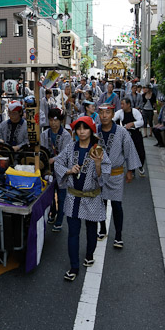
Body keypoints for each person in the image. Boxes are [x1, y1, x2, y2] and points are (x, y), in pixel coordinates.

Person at [55, 116, 111, 281]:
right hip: (73, 196)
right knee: (73, 233)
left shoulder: (98, 149)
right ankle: (74, 267)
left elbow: (104, 177)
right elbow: (58, 163)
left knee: (91, 230)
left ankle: (89, 254)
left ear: (91, 130)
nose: (81, 131)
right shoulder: (70, 147)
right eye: (78, 128)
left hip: (92, 197)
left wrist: (99, 164)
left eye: (85, 128)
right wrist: (69, 170)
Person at [96, 105, 141, 247]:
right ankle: (102, 229)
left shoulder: (121, 132)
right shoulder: (95, 131)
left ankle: (118, 235)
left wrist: (130, 171)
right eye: (101, 112)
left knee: (116, 205)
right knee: (100, 204)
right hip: (99, 174)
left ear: (113, 114)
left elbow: (129, 150)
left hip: (116, 173)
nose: (104, 116)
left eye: (107, 113)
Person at [40, 108, 72, 231]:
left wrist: (54, 159)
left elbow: (66, 152)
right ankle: (52, 212)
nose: (53, 123)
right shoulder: (44, 134)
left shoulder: (66, 135)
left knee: (61, 194)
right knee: (49, 192)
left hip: (62, 168)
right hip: (48, 168)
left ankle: (59, 220)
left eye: (56, 120)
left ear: (61, 121)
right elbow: (42, 149)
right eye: (51, 120)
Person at [113, 98, 146, 177]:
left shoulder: (135, 112)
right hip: (127, 136)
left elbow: (141, 122)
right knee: (129, 153)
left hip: (136, 134)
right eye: (121, 104)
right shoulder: (120, 112)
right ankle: (132, 170)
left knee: (141, 152)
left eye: (123, 104)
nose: (121, 106)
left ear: (128, 105)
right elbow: (113, 119)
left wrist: (132, 124)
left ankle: (140, 166)